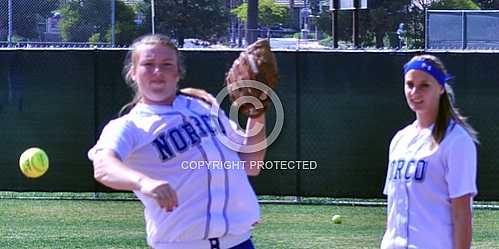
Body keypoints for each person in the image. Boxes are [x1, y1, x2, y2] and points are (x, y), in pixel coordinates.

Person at [88, 34, 267, 249]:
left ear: (178, 72)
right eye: (148, 64)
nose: (157, 71)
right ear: (133, 73)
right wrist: (145, 183)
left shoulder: (205, 105)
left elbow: (251, 164)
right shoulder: (129, 126)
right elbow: (103, 166)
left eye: (166, 64)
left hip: (239, 243)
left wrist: (257, 114)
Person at [381, 54, 478, 249]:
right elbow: (394, 208)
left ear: (441, 88)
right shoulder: (400, 139)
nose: (415, 92)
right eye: (410, 84)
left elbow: (462, 214)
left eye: (424, 85)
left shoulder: (456, 141)